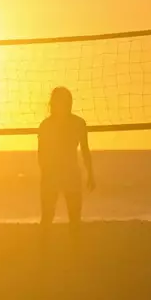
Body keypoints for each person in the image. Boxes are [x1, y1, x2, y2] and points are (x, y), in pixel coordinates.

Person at [38, 86, 95, 228]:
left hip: (67, 173)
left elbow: (85, 150)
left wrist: (90, 173)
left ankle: (73, 247)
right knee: (48, 217)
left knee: (73, 217)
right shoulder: (47, 125)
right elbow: (41, 154)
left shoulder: (77, 123)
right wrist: (45, 173)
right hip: (55, 173)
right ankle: (44, 246)